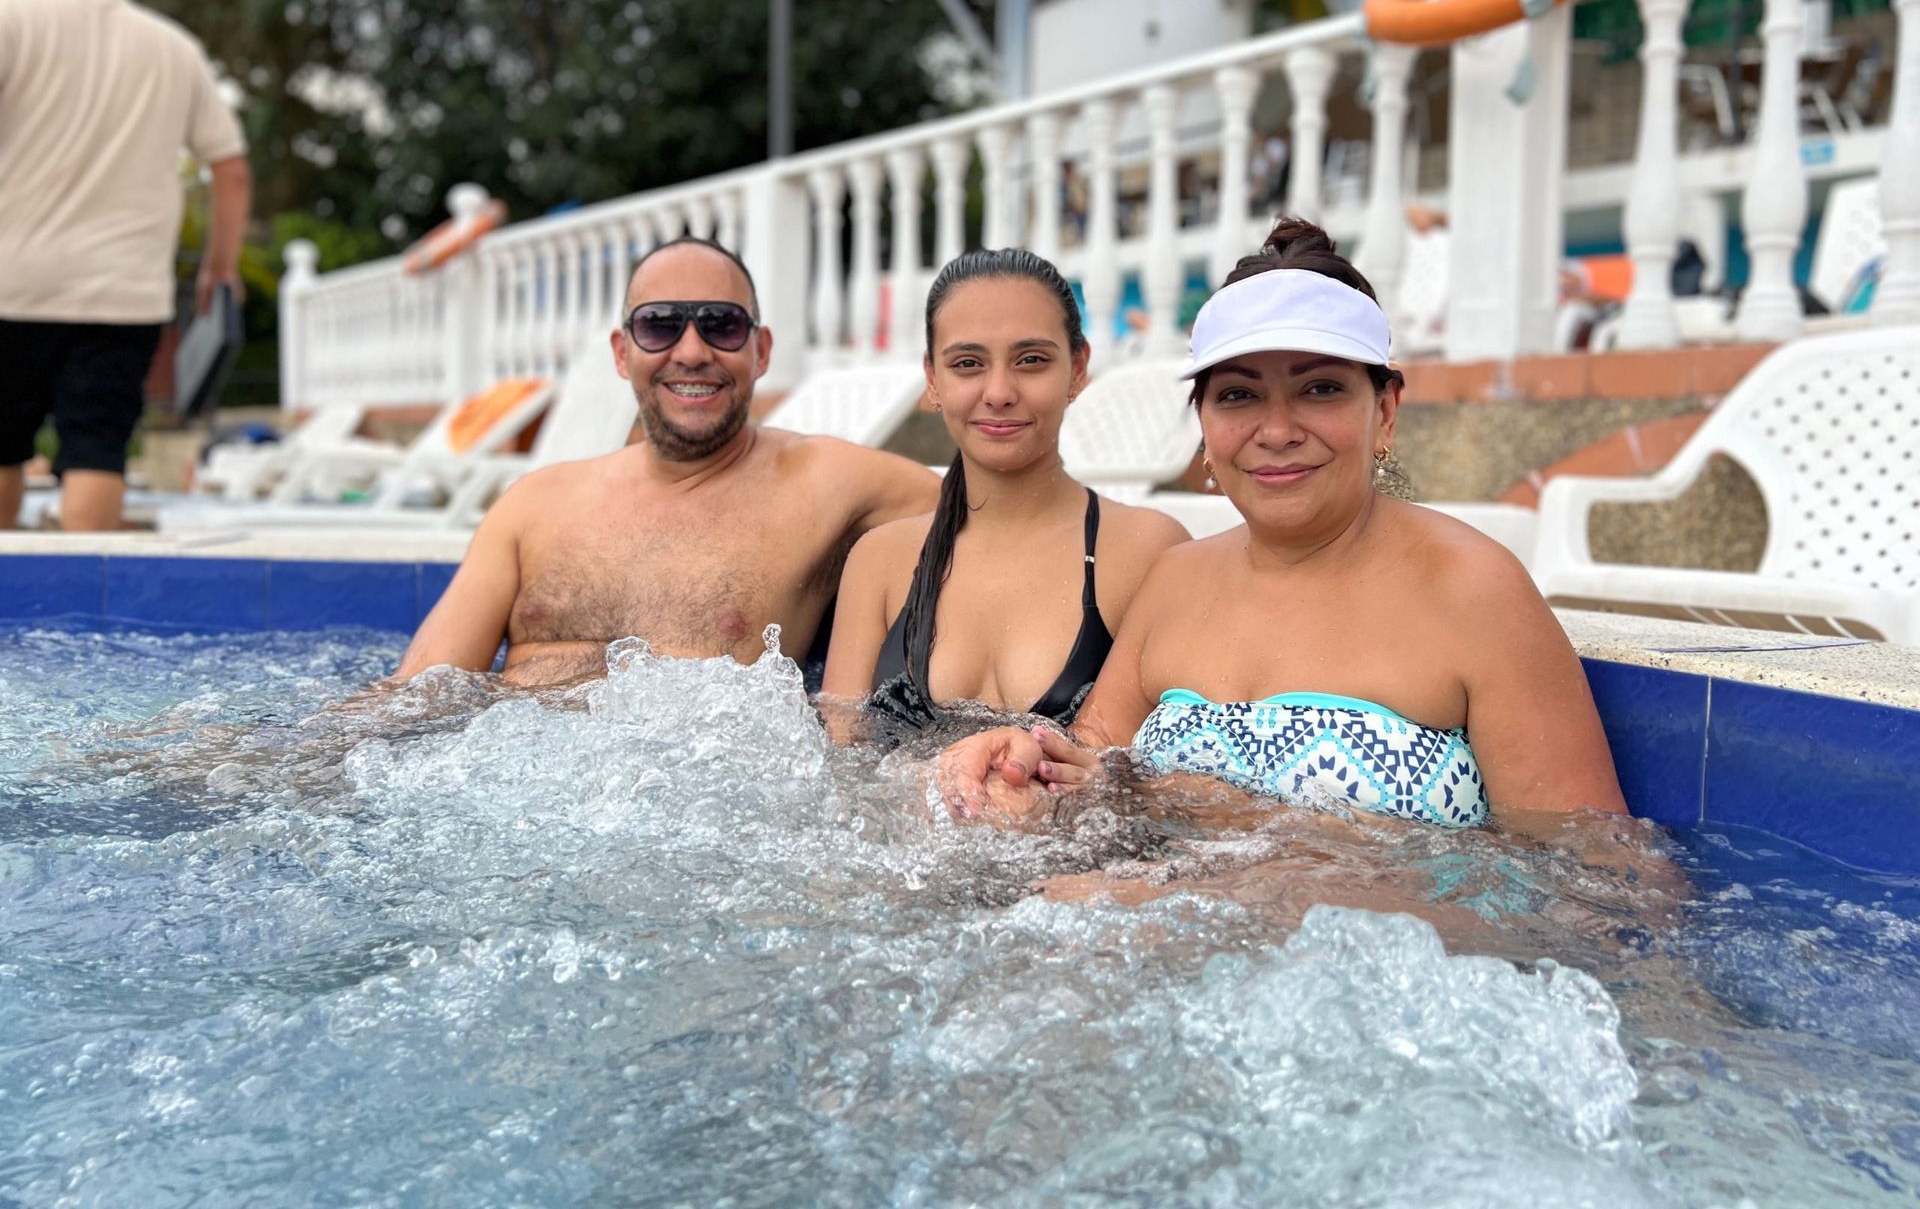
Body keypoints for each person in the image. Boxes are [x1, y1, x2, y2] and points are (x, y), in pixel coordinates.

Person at [939, 218, 1627, 831]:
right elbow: (1087, 765)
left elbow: (1600, 875)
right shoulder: (1177, 580)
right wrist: (1022, 763)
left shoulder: (1474, 592)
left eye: (1320, 389)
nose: (1276, 431)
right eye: (1239, 395)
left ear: (1385, 411)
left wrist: (1265, 854)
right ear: (1205, 426)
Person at [397, 237, 940, 685]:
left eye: (721, 324)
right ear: (622, 352)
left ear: (761, 351)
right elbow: (418, 693)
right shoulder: (530, 506)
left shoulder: (828, 483)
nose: (691, 352)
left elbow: (983, 512)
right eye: (659, 324)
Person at [822, 250, 1187, 736]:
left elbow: (1170, 764)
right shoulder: (880, 561)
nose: (998, 392)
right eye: (968, 363)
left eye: (1031, 360)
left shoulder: (1146, 552)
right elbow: (840, 761)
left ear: (1078, 368)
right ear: (933, 379)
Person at [0, 0, 251, 532]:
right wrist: (219, 268)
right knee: (97, 449)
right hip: (124, 292)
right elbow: (231, 168)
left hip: (11, 279)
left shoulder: (9, 18)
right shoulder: (172, 45)